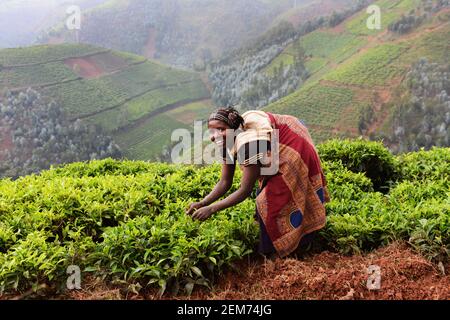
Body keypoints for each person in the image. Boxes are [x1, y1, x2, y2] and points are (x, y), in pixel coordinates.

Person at [185, 107, 329, 258]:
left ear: (234, 129)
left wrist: (212, 209)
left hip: (294, 146)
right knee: (265, 195)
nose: (216, 136)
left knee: (268, 202)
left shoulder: (249, 144)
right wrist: (203, 203)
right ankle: (281, 245)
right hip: (279, 141)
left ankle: (279, 253)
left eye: (221, 129)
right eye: (212, 131)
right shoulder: (226, 143)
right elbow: (224, 182)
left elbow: (244, 190)